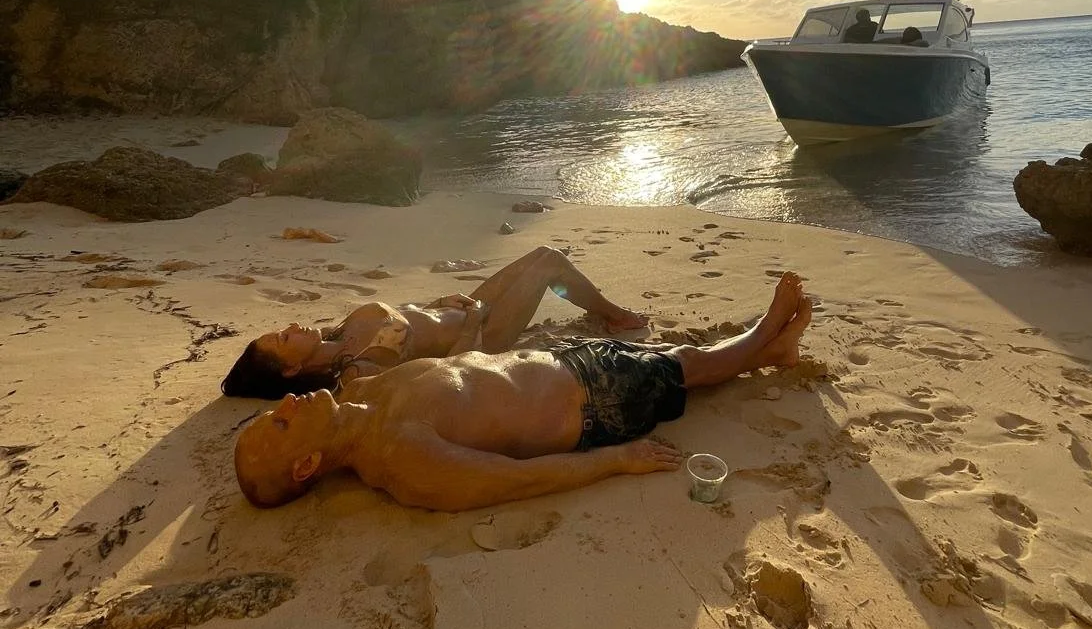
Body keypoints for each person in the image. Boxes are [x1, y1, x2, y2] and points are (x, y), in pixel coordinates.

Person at [233, 274, 813, 511]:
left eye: (276, 410)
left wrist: (466, 328)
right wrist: (615, 461)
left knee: (664, 358)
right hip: (590, 403)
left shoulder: (368, 394)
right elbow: (512, 480)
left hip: (561, 362)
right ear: (307, 463)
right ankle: (763, 335)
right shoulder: (399, 460)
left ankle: (774, 353)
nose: (286, 404)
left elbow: (456, 376)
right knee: (688, 364)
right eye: (282, 423)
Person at [221, 247, 648, 402]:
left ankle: (598, 307)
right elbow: (449, 375)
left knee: (541, 252)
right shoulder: (360, 370)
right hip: (484, 333)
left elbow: (406, 317)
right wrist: (473, 323)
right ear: (291, 369)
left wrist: (441, 302)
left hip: (465, 308)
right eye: (283, 338)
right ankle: (611, 315)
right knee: (549, 265)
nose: (292, 325)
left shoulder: (340, 329)